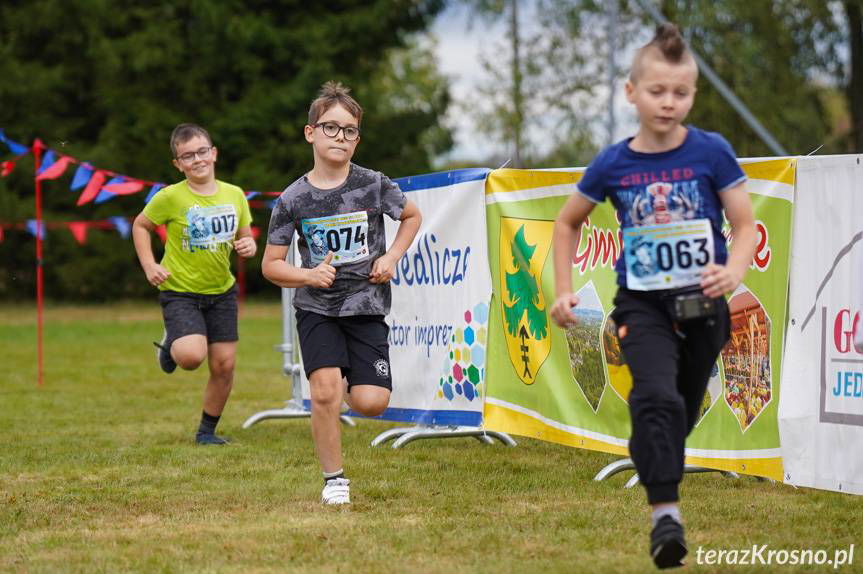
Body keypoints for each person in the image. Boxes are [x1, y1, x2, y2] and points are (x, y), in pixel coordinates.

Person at [550, 24, 757, 569]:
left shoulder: (712, 152)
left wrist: (733, 271)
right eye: (658, 91)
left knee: (677, 411)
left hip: (703, 303)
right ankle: (666, 515)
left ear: (693, 94)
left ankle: (654, 456)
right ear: (631, 93)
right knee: (655, 398)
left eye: (681, 93)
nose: (669, 103)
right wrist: (565, 291)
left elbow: (744, 223)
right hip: (642, 305)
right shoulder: (613, 163)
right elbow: (568, 223)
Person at [262, 82, 422, 505]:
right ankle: (334, 479)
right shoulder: (292, 199)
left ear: (357, 139)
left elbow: (411, 216)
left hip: (367, 306)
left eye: (349, 131)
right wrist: (309, 276)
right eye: (331, 128)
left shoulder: (373, 184)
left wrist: (392, 258)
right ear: (310, 133)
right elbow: (271, 265)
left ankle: (350, 377)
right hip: (317, 308)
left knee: (370, 402)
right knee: (326, 391)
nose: (340, 137)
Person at [132, 123, 256, 445]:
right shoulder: (170, 197)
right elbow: (141, 225)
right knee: (191, 357)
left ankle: (206, 433)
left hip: (222, 292)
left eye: (202, 152)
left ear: (213, 154)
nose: (197, 159)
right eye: (188, 156)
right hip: (180, 291)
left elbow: (246, 238)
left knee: (224, 365)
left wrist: (250, 246)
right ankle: (173, 344)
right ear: (178, 164)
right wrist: (149, 264)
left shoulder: (234, 194)